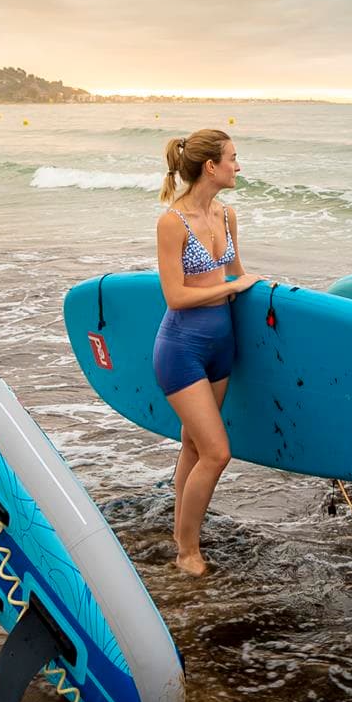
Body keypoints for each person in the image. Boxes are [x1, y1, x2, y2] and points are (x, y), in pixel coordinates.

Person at [153, 128, 261, 576]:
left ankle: (183, 530)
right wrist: (231, 286)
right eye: (233, 158)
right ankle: (187, 552)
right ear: (210, 166)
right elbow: (175, 296)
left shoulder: (227, 214)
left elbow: (239, 275)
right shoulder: (171, 223)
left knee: (195, 446)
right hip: (181, 348)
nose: (239, 166)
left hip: (222, 345)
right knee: (217, 452)